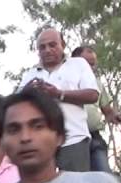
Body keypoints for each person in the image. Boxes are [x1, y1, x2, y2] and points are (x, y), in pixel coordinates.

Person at [18, 28, 100, 171]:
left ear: (63, 44)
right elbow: (16, 107)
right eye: (42, 47)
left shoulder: (78, 64)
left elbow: (93, 95)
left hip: (73, 139)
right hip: (40, 143)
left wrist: (58, 94)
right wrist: (27, 92)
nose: (47, 50)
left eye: (52, 45)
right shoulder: (30, 74)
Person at [72, 46, 121, 173]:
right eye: (87, 64)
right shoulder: (66, 81)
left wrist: (116, 116)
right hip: (73, 139)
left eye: (93, 65)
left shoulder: (97, 83)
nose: (91, 68)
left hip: (94, 137)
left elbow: (107, 111)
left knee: (104, 175)